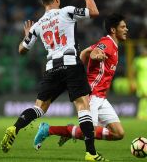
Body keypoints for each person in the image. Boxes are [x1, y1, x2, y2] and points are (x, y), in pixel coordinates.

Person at [1, 0, 108, 161]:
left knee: (39, 108)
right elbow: (94, 11)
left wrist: (27, 36)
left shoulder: (38, 25)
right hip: (71, 64)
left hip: (52, 68)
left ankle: (15, 127)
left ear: (43, 3)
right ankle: (90, 153)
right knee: (83, 106)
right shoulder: (66, 11)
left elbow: (21, 50)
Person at [33, 14, 128, 152]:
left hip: (101, 97)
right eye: (123, 27)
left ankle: (72, 130)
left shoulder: (114, 46)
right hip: (92, 94)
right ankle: (49, 130)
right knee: (88, 133)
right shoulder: (107, 43)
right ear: (113, 30)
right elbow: (95, 51)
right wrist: (97, 55)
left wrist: (78, 70)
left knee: (118, 133)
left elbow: (84, 52)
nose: (126, 29)